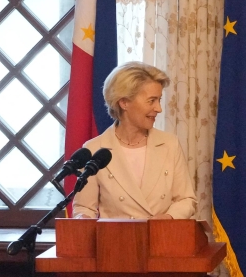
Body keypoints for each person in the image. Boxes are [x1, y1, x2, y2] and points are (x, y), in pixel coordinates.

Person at [73, 62, 197, 220]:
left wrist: (169, 217)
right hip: (115, 242)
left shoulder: (169, 144)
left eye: (159, 100)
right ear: (124, 102)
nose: (159, 109)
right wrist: (83, 218)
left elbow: (185, 199)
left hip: (162, 240)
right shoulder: (94, 149)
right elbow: (84, 207)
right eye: (151, 101)